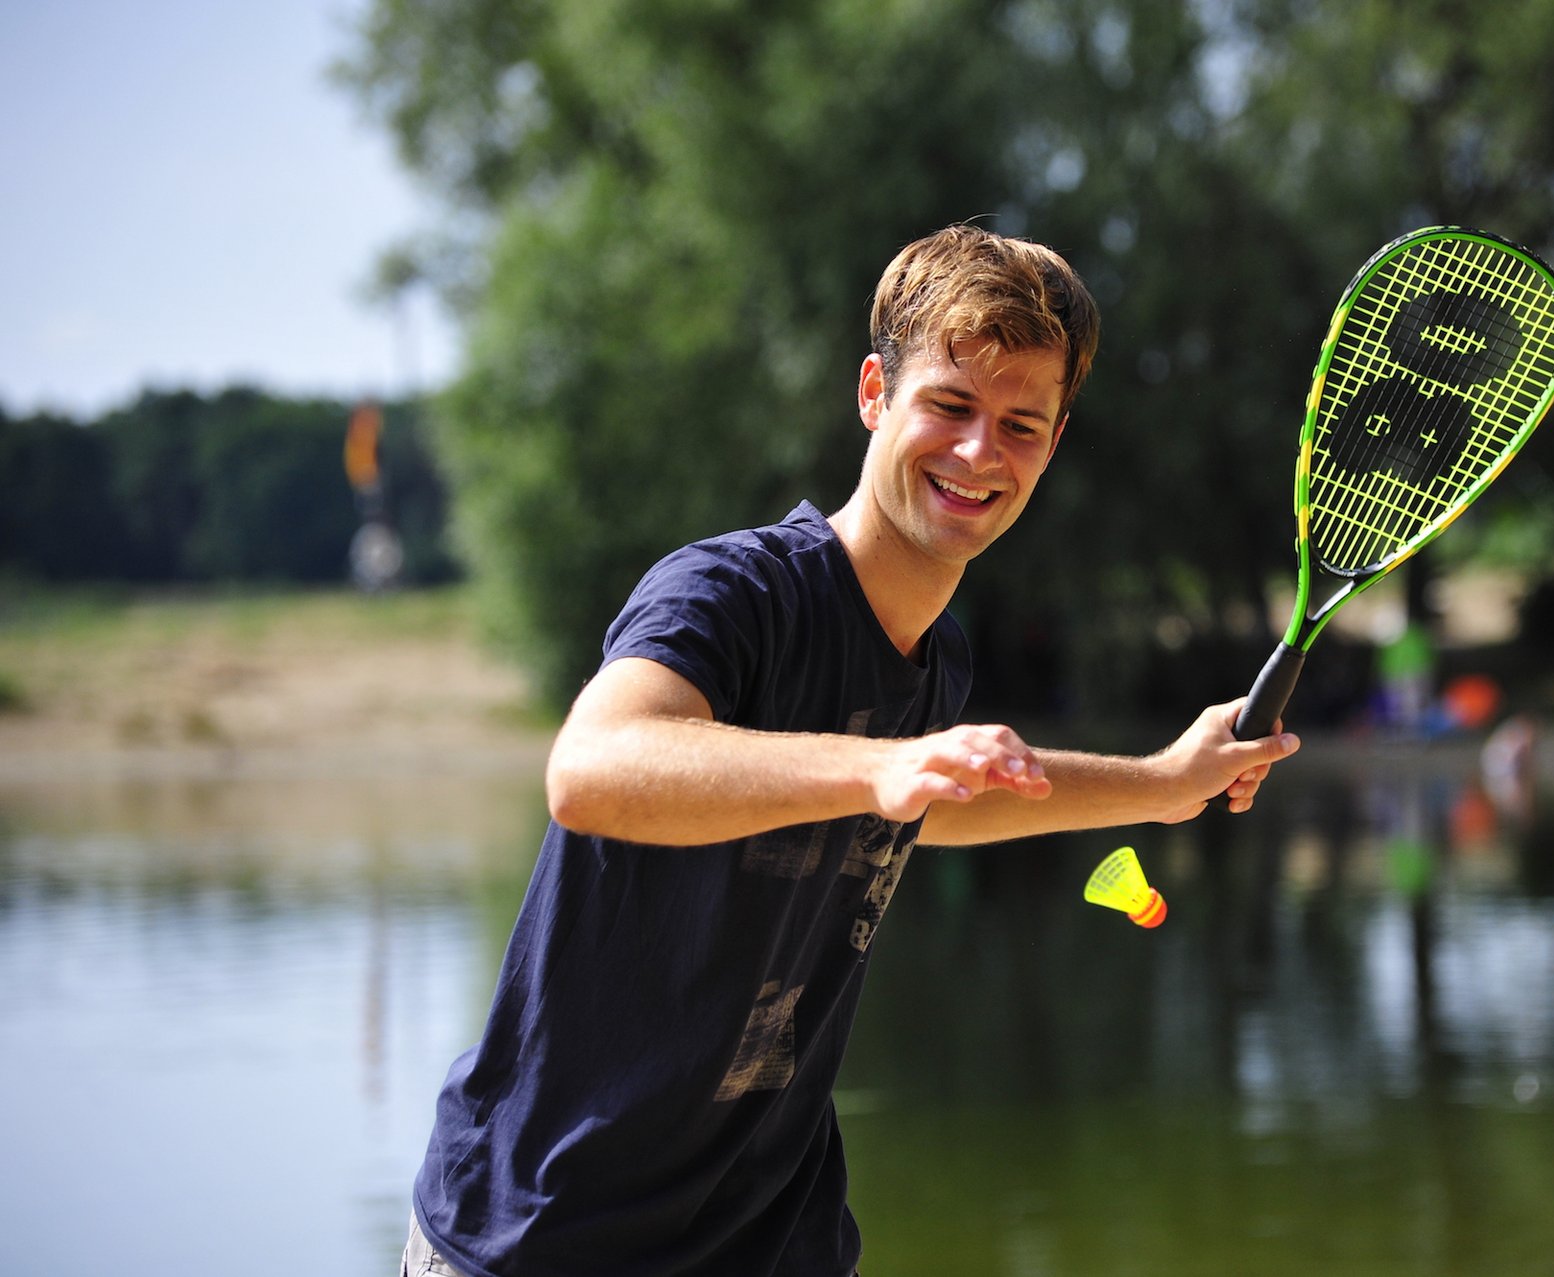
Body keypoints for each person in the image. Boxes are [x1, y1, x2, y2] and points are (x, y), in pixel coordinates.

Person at [402, 224, 1302, 1277]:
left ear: (1054, 442)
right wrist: (877, 767)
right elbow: (591, 771)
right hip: (544, 1234)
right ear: (876, 392)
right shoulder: (732, 592)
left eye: (1020, 423)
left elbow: (936, 800)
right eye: (950, 406)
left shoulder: (935, 660)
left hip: (771, 1238)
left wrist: (1157, 785)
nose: (980, 453)